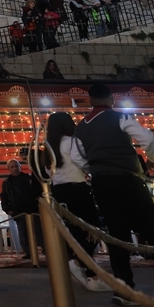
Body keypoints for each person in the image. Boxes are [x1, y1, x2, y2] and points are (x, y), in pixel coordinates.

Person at [72, 83, 154, 305]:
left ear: (91, 100)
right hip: (127, 180)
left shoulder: (81, 127)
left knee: (117, 236)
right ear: (111, 99)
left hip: (102, 184)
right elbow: (149, 140)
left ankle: (124, 290)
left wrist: (93, 170)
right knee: (152, 231)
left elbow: (77, 158)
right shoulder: (119, 118)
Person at [45, 112, 111, 292]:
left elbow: (47, 171)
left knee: (75, 232)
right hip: (78, 190)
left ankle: (82, 266)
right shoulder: (72, 141)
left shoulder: (49, 146)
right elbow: (79, 159)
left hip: (59, 191)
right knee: (92, 230)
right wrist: (90, 170)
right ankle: (87, 271)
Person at [0, 159, 42, 260]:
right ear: (8, 169)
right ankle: (28, 252)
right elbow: (4, 197)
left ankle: (46, 251)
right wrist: (8, 209)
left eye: (16, 166)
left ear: (20, 166)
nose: (15, 168)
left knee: (39, 232)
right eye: (12, 167)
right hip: (18, 212)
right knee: (23, 233)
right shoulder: (7, 183)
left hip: (33, 210)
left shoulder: (29, 179)